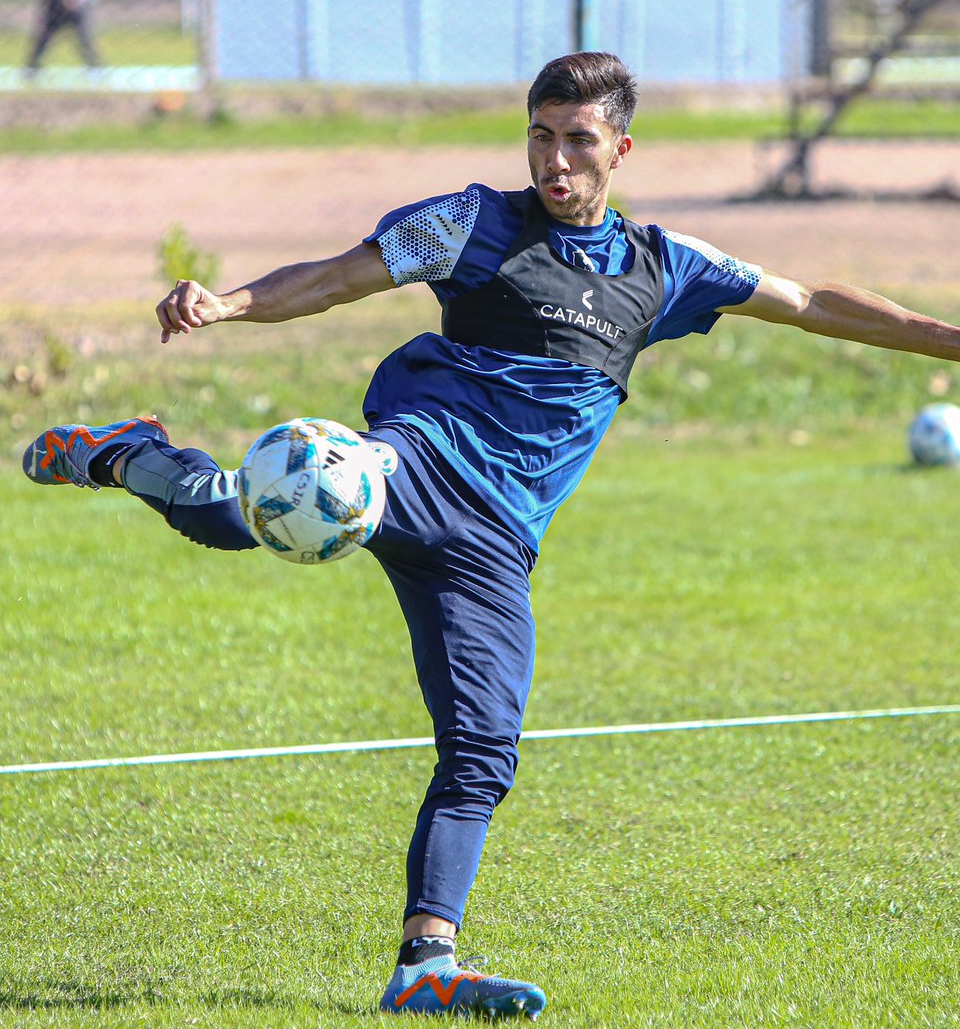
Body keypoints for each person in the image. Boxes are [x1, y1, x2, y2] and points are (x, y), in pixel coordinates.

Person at [22, 51, 960, 1018]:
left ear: (621, 150)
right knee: (246, 513)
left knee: (483, 749)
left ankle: (425, 966)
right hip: (417, 462)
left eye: (579, 142)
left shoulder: (667, 266)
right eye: (541, 137)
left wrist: (949, 339)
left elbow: (810, 304)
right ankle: (125, 451)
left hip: (496, 542)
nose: (556, 162)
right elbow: (337, 279)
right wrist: (226, 302)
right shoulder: (470, 222)